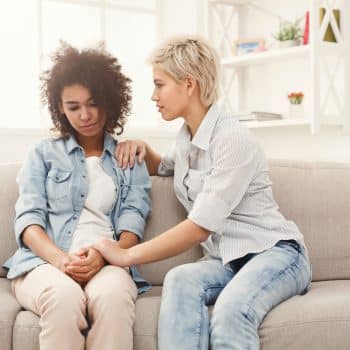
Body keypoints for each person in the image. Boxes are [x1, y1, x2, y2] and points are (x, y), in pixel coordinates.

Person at [91, 36, 312, 350]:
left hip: (276, 254)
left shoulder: (232, 140)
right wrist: (143, 149)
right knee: (179, 279)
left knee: (232, 310)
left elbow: (199, 227)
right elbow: (164, 166)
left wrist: (126, 255)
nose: (153, 96)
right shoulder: (187, 137)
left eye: (159, 84)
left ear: (189, 84)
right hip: (227, 260)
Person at [3, 43, 151, 350]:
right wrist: (61, 261)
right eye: (73, 106)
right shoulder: (42, 155)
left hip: (108, 264)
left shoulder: (128, 158)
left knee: (113, 300)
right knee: (63, 297)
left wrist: (104, 256)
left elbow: (131, 227)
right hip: (44, 264)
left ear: (110, 101)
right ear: (60, 108)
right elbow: (29, 222)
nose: (85, 115)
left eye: (93, 103)